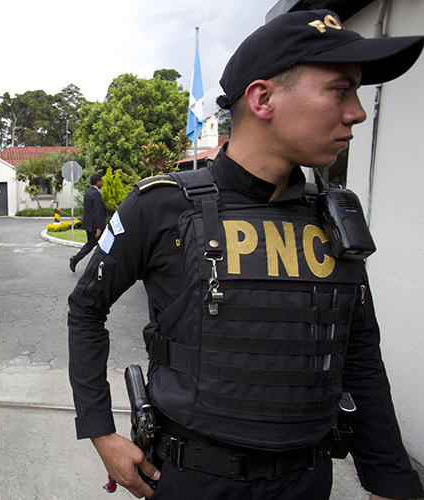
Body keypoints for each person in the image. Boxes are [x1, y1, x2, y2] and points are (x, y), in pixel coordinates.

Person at [68, 10, 424, 500]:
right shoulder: (161, 204)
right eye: (341, 90)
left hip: (308, 480)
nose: (357, 112)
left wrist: (388, 478)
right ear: (262, 99)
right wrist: (101, 432)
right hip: (195, 480)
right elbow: (85, 309)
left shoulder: (334, 215)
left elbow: (358, 348)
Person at [70, 173, 105, 272]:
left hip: (89, 225)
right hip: (96, 227)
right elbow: (97, 212)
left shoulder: (87, 193)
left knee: (91, 245)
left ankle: (76, 259)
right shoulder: (96, 194)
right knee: (99, 246)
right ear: (97, 182)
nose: (102, 182)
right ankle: (93, 267)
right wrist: (99, 228)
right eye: (101, 181)